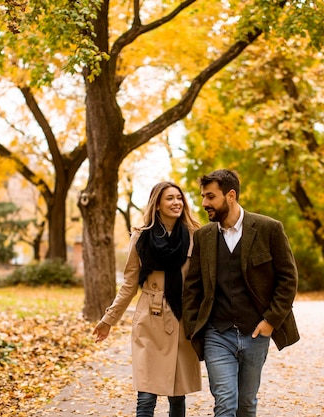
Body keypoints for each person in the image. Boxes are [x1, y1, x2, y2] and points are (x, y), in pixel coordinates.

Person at [182, 169, 300, 417]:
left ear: (231, 195)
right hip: (216, 334)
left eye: (210, 197)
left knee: (246, 404)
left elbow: (288, 279)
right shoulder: (204, 236)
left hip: (255, 334)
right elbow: (192, 287)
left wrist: (271, 321)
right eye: (203, 196)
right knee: (225, 403)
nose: (204, 203)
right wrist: (194, 328)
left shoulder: (269, 229)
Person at [93, 181, 202, 417]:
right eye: (170, 198)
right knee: (146, 393)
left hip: (181, 317)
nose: (176, 203)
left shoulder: (195, 235)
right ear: (158, 204)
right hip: (150, 320)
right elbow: (130, 284)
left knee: (177, 392)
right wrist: (108, 319)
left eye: (179, 198)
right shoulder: (141, 237)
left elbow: (203, 282)